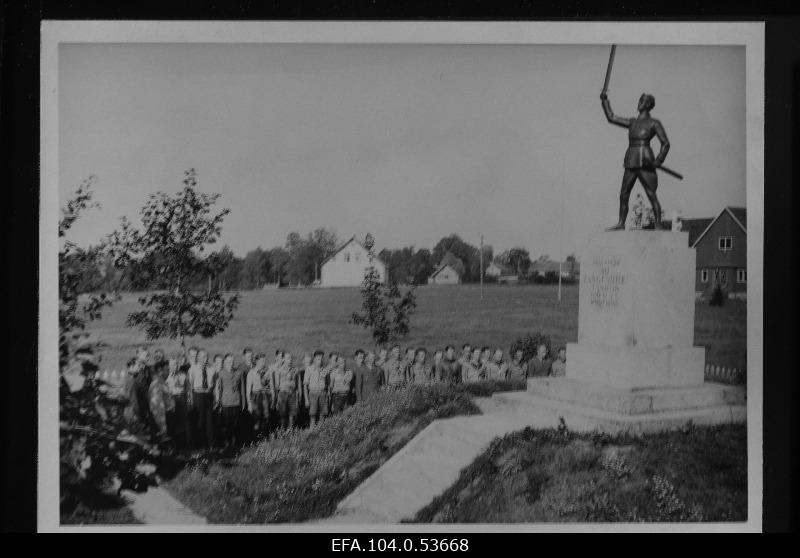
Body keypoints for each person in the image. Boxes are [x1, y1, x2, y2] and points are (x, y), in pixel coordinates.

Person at [600, 90, 671, 230]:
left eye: (642, 101)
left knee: (651, 193)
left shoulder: (654, 123)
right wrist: (605, 101)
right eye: (639, 100)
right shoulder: (632, 122)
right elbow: (612, 117)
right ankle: (621, 223)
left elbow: (665, 143)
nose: (639, 103)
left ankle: (658, 223)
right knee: (624, 193)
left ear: (649, 105)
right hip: (631, 159)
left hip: (646, 160)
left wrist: (658, 161)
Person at [188, 349, 215, 449]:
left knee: (209, 421)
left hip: (208, 395)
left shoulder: (211, 369)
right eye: (203, 357)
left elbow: (214, 384)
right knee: (199, 420)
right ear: (198, 358)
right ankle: (199, 444)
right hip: (198, 395)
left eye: (207, 356)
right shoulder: (192, 369)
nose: (206, 359)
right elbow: (190, 386)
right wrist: (191, 399)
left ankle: (210, 444)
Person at [215, 353, 243, 448]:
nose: (231, 363)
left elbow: (241, 388)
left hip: (236, 401)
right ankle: (227, 443)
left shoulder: (238, 372)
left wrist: (242, 401)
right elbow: (219, 389)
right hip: (225, 402)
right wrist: (218, 402)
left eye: (232, 361)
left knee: (236, 424)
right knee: (226, 424)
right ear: (225, 362)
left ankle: (234, 443)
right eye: (228, 362)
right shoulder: (221, 373)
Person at [165, 355, 191, 448]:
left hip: (182, 400)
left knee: (183, 422)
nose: (174, 366)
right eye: (172, 365)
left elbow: (188, 389)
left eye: (175, 364)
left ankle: (185, 443)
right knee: (173, 422)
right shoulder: (166, 377)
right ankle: (174, 444)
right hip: (172, 401)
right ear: (168, 366)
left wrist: (188, 400)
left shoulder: (183, 375)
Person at [274, 352, 301, 429]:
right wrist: (276, 399)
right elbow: (276, 386)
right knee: (283, 415)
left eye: (291, 358)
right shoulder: (278, 370)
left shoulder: (295, 370)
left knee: (292, 415)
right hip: (283, 394)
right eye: (288, 358)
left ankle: (290, 433)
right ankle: (282, 434)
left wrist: (298, 395)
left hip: (292, 394)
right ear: (283, 359)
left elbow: (297, 384)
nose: (290, 360)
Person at [246, 353, 271, 437]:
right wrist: (249, 403)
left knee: (266, 416)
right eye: (261, 361)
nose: (263, 363)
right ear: (256, 361)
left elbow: (268, 386)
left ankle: (263, 436)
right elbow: (248, 389)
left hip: (264, 395)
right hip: (255, 396)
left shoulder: (267, 372)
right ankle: (255, 437)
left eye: (264, 361)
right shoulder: (251, 373)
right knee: (257, 417)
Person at [304, 350, 329, 428]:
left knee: (323, 415)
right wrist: (306, 399)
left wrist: (327, 395)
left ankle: (320, 433)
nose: (320, 361)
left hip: (322, 393)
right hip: (313, 393)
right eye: (318, 359)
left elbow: (328, 384)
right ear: (314, 359)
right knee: (313, 415)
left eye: (321, 359)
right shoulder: (309, 369)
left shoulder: (325, 369)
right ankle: (311, 432)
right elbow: (305, 385)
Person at [148, 361, 173, 439]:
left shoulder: (161, 382)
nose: (169, 372)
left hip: (165, 415)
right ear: (160, 371)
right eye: (167, 370)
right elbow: (157, 406)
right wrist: (163, 428)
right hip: (161, 419)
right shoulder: (157, 384)